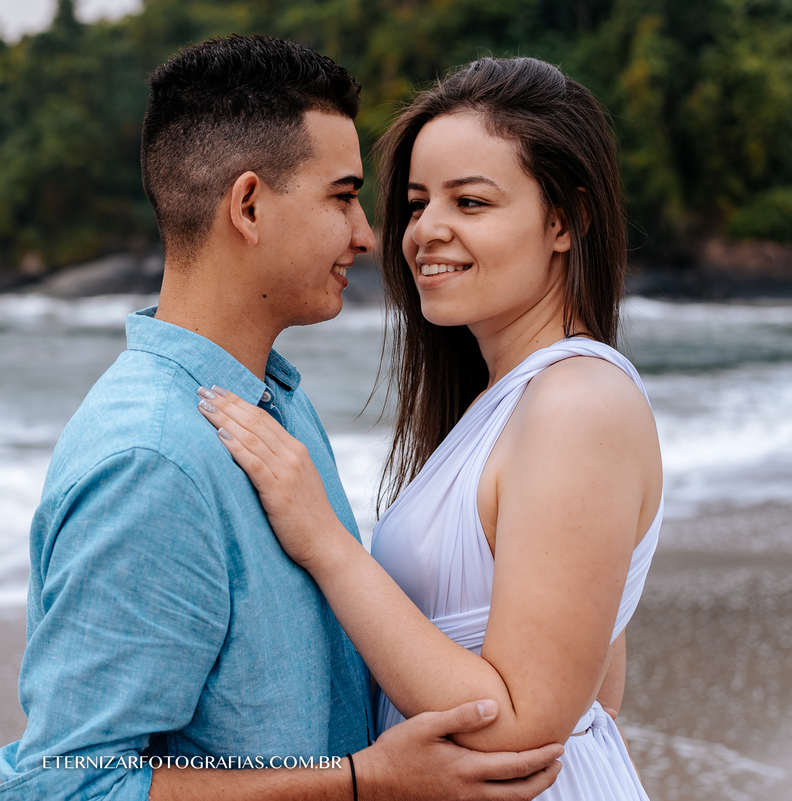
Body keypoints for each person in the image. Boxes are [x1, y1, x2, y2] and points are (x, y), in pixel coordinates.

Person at [0, 37, 564, 801]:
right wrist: (361, 781)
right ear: (249, 207)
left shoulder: (271, 403)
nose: (367, 235)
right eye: (342, 197)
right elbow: (68, 786)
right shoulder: (152, 460)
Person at [197, 56, 662, 799]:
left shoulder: (576, 403)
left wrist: (324, 541)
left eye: (470, 202)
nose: (425, 232)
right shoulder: (513, 402)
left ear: (563, 220)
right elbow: (598, 683)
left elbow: (520, 728)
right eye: (417, 204)